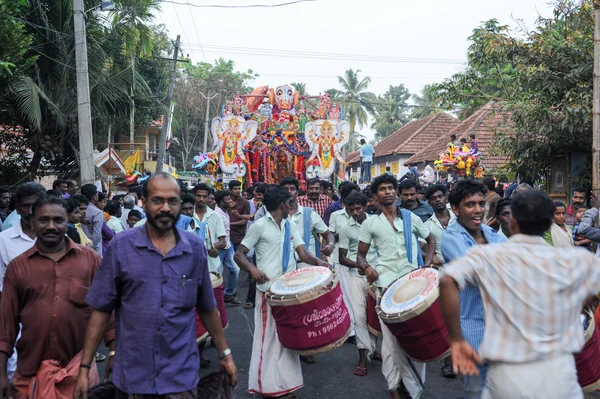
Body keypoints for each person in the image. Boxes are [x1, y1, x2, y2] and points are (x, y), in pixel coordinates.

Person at [74, 172, 237, 398]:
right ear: (144, 202)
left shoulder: (193, 248)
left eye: (172, 201)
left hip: (181, 376)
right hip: (133, 377)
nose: (165, 208)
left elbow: (207, 307)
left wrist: (225, 353)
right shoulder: (122, 247)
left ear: (180, 204)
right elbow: (101, 309)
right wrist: (85, 367)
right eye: (157, 200)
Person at [439, 189, 600, 398]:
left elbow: (447, 280)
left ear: (513, 222)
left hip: (507, 378)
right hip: (559, 377)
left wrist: (457, 340)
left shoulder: (488, 256)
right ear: (549, 224)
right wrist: (578, 305)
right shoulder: (578, 261)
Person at [0, 196, 115, 398]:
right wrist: (1, 372)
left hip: (80, 373)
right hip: (30, 374)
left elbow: (108, 311)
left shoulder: (90, 261)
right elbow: (6, 324)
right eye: (44, 220)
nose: (51, 226)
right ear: (32, 222)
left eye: (58, 220)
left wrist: (114, 353)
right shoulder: (18, 267)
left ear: (67, 222)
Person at [233, 186, 329, 398]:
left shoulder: (289, 226)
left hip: (288, 292)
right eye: (289, 202)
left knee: (287, 340)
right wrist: (253, 269)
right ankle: (267, 387)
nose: (292, 204)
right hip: (268, 292)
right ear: (282, 205)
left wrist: (321, 263)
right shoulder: (258, 226)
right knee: (267, 341)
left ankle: (284, 386)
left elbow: (303, 253)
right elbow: (239, 255)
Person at [357, 174, 436, 399]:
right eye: (383, 189)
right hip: (385, 287)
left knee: (415, 335)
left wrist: (428, 264)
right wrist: (367, 268)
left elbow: (430, 240)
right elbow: (360, 257)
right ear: (375, 195)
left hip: (413, 284)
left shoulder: (410, 218)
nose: (388, 192)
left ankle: (411, 386)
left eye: (391, 188)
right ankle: (394, 387)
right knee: (390, 341)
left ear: (397, 192)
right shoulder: (370, 223)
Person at [440, 179, 506, 398]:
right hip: (473, 328)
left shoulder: (493, 234)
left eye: (481, 203)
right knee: (477, 389)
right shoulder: (450, 237)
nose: (478, 210)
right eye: (470, 205)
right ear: (456, 209)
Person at [0, 182, 46, 382]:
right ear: (17, 207)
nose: (30, 211)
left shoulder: (57, 236)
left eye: (35, 206)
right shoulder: (4, 241)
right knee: (18, 378)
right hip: (17, 323)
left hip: (56, 320)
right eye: (25, 206)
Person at [338, 191, 381, 377]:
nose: (355, 212)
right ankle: (363, 356)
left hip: (379, 277)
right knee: (359, 316)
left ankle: (373, 348)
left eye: (358, 208)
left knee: (377, 315)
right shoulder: (346, 228)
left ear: (365, 207)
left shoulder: (376, 223)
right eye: (352, 209)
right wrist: (363, 266)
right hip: (356, 277)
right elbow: (342, 258)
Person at [192, 183, 227, 276]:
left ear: (208, 198)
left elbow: (223, 242)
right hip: (191, 263)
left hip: (211, 264)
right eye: (198, 196)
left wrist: (211, 247)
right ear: (194, 196)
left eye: (204, 196)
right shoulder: (187, 215)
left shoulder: (215, 216)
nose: (201, 199)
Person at [214, 190, 241, 305]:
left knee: (235, 269)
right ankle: (217, 299)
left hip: (228, 245)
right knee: (217, 274)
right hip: (219, 247)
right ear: (221, 202)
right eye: (227, 199)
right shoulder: (216, 214)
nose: (230, 201)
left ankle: (228, 294)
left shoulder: (225, 211)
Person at [424, 184, 455, 268]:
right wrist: (432, 257)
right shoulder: (427, 225)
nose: (437, 200)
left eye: (440, 196)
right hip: (442, 268)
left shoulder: (458, 218)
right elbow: (419, 248)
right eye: (433, 198)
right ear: (429, 203)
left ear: (446, 199)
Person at [80, 184, 104, 257]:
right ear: (94, 197)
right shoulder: (97, 212)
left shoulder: (76, 208)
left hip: (80, 247)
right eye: (97, 194)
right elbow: (97, 235)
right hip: (93, 250)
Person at [227, 180, 250, 256]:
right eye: (235, 189)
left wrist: (229, 224)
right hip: (227, 235)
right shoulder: (225, 202)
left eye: (238, 189)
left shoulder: (245, 203)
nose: (237, 191)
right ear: (230, 190)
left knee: (239, 258)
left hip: (239, 236)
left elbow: (245, 221)